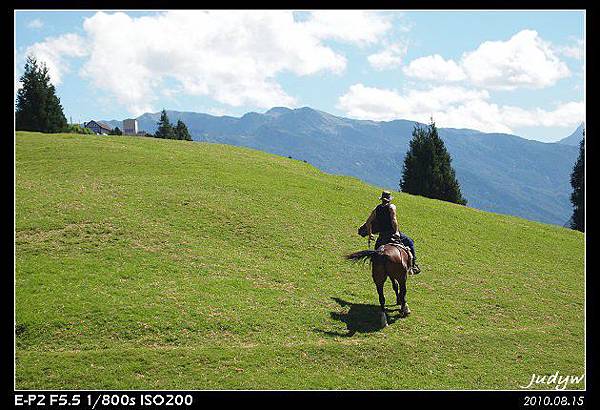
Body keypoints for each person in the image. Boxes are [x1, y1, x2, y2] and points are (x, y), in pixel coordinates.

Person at [365, 191, 421, 274]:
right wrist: (396, 232)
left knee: (376, 252)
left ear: (381, 199)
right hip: (391, 234)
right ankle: (413, 266)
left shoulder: (377, 209)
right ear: (389, 199)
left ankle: (376, 268)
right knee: (410, 242)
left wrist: (370, 234)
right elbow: (393, 219)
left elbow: (368, 222)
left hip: (382, 237)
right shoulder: (392, 207)